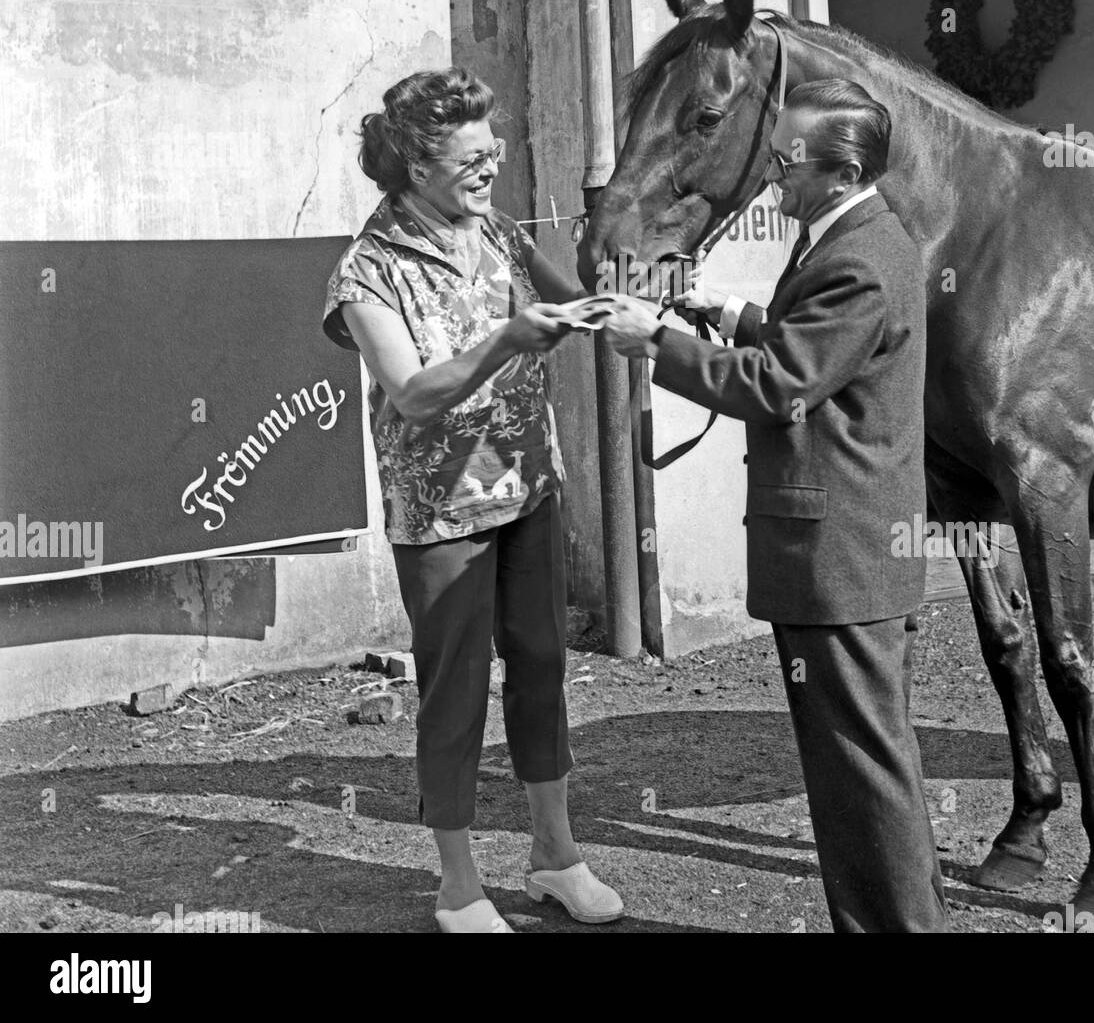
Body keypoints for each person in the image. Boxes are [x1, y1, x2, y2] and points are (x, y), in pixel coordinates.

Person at [601, 77, 949, 933]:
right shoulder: (853, 238)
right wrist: (729, 312)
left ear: (845, 171)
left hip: (843, 561)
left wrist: (655, 342)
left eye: (788, 161)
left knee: (863, 777)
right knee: (862, 771)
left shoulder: (859, 260)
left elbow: (783, 383)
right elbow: (815, 348)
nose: (772, 175)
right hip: (851, 555)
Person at [323, 67, 623, 934]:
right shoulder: (366, 272)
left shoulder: (497, 229)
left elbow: (573, 302)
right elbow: (413, 393)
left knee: (542, 668)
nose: (491, 168)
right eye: (471, 159)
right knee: (454, 691)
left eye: (493, 151)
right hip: (441, 515)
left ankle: (555, 855)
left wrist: (626, 290)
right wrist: (506, 341)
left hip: (529, 487)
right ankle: (458, 888)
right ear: (418, 169)